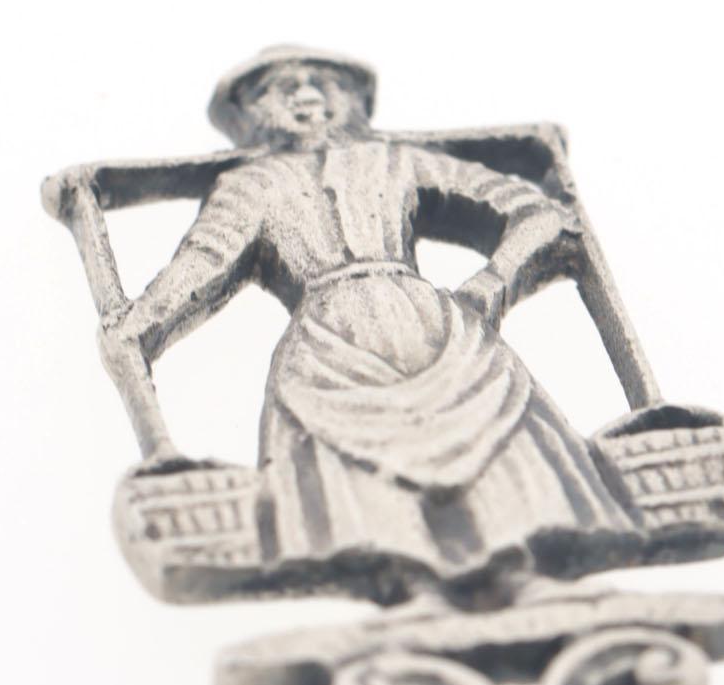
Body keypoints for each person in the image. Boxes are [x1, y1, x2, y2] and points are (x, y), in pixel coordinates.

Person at [111, 45, 637, 597]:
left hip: (433, 324)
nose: (305, 97)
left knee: (493, 428)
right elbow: (204, 261)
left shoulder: (398, 159)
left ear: (354, 101)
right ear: (250, 114)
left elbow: (544, 215)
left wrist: (495, 280)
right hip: (328, 340)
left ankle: (528, 572)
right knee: (344, 454)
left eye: (324, 84)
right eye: (277, 89)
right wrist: (140, 323)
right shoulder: (250, 185)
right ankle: (409, 584)